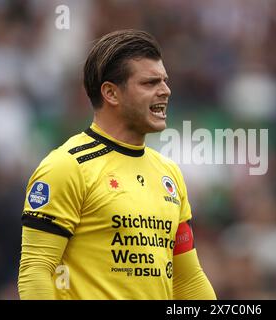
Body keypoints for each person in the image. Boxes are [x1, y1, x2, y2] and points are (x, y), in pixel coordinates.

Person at [18, 29, 216, 300]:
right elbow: (35, 269)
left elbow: (188, 279)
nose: (165, 91)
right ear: (111, 93)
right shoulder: (67, 167)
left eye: (165, 81)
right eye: (150, 83)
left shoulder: (169, 174)